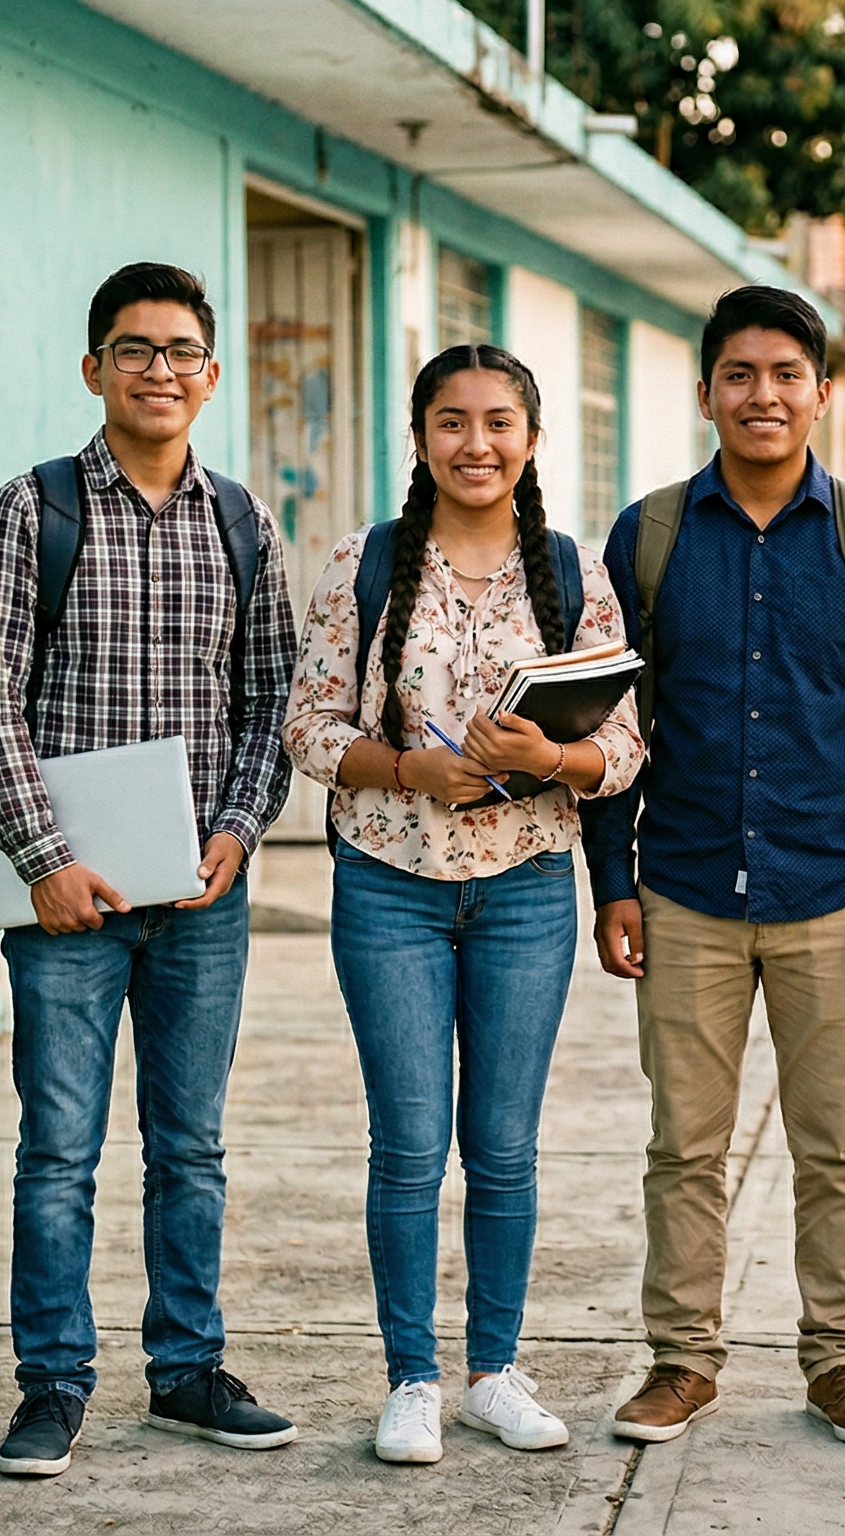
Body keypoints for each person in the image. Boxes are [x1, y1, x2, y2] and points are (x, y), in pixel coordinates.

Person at [584, 285, 845, 1448]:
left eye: (786, 374)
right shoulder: (645, 535)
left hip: (832, 893)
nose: (762, 395)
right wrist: (613, 882)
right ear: (704, 393)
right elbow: (605, 727)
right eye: (738, 374)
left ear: (821, 394)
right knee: (682, 1147)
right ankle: (680, 1360)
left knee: (832, 1145)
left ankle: (841, 1360)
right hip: (684, 890)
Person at [0, 262, 300, 1478]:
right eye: (133, 349)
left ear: (209, 376)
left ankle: (187, 1372)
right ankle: (52, 1383)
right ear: (92, 367)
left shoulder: (243, 521)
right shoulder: (32, 510)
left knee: (190, 1147)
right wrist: (46, 864)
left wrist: (240, 829)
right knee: (57, 1150)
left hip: (202, 898)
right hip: (69, 908)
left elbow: (272, 703)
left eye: (179, 351)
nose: (158, 370)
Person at [283, 345, 646, 1463]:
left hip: (527, 884)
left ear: (532, 439)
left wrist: (558, 757)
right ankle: (411, 1379)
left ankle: (493, 1369)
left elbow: (628, 745)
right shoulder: (368, 562)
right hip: (389, 883)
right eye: (451, 421)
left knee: (502, 1146)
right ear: (421, 436)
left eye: (499, 422)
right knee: (406, 1143)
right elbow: (306, 726)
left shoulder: (572, 573)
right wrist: (407, 772)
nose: (475, 443)